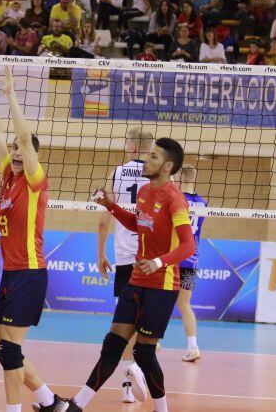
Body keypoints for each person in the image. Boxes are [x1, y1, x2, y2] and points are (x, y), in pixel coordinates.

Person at [52, 137, 195, 412]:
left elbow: (188, 245)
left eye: (153, 157)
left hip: (161, 285)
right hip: (136, 280)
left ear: (167, 166)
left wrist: (159, 261)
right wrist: (110, 205)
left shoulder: (175, 200)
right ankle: (77, 405)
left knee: (143, 351)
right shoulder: (144, 192)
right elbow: (137, 224)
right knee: (112, 344)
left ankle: (161, 409)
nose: (146, 160)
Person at [0, 63, 58, 412]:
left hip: (29, 271)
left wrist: (11, 95)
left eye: (20, 151)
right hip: (10, 273)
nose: (14, 152)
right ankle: (49, 401)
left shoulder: (34, 181)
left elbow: (24, 139)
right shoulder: (8, 178)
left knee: (10, 350)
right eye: (12, 150)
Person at [95, 127, 153, 404]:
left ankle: (129, 385)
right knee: (146, 325)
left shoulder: (116, 173)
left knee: (124, 322)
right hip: (150, 257)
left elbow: (105, 216)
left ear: (131, 147)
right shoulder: (160, 175)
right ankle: (135, 370)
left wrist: (100, 253)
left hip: (123, 256)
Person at [176, 165, 206, 363]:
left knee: (159, 300)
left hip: (174, 257)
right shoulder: (202, 203)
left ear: (179, 177)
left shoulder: (177, 199)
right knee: (185, 304)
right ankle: (193, 346)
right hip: (192, 258)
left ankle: (152, 341)